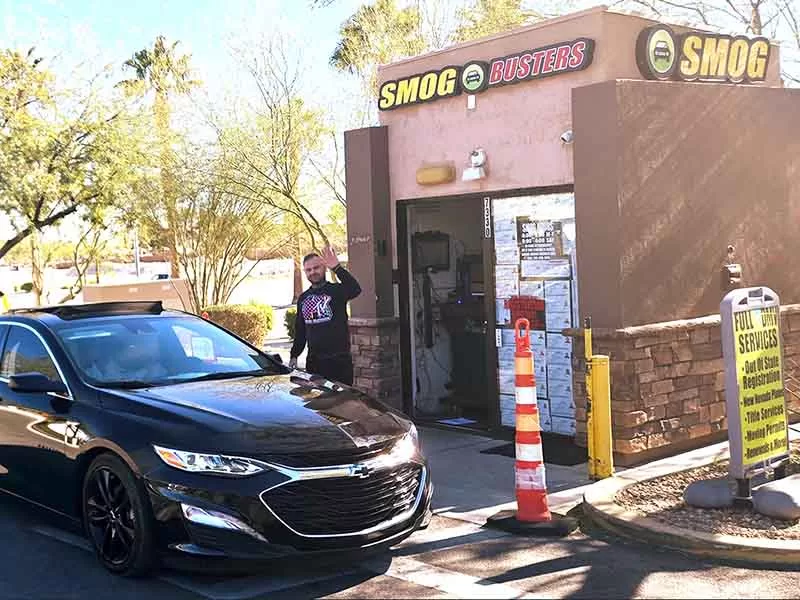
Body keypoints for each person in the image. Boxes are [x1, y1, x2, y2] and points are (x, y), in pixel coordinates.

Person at [289, 245, 361, 385]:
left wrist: (337, 268)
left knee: (343, 403)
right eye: (308, 270)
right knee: (319, 404)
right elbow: (300, 330)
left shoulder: (336, 291)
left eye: (316, 268)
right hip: (314, 363)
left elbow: (355, 289)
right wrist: (294, 355)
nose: (313, 272)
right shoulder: (303, 298)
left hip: (339, 362)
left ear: (324, 268)